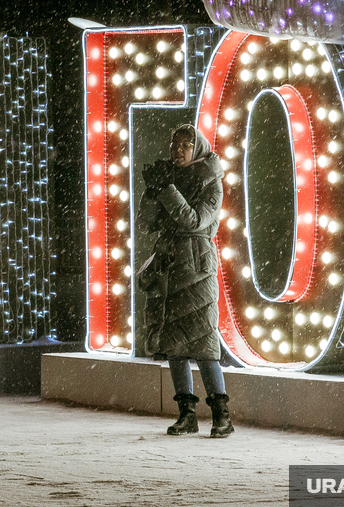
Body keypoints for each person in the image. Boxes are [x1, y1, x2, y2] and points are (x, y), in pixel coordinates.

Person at [137, 124, 234, 438]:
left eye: (185, 145)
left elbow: (194, 221)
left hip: (197, 267)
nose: (178, 150)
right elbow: (146, 223)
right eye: (174, 145)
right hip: (170, 265)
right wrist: (152, 192)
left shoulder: (211, 182)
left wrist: (166, 189)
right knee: (175, 345)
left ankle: (222, 416)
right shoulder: (170, 180)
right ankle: (187, 415)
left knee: (204, 342)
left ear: (199, 148)